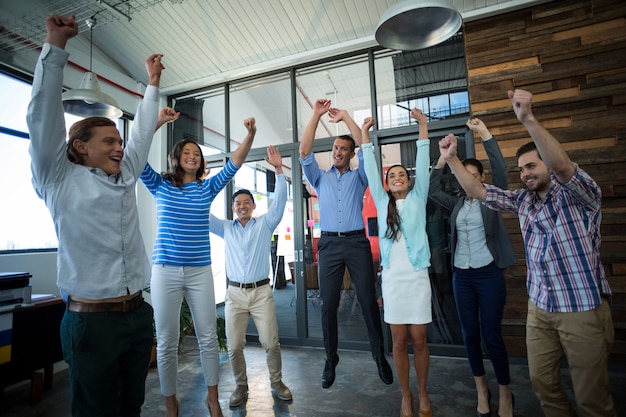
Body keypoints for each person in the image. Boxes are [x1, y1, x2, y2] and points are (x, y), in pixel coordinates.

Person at [438, 89, 616, 417]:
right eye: (521, 169)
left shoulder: (579, 195)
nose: (525, 173)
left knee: (592, 399)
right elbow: (478, 190)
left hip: (581, 308)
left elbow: (564, 169)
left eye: (531, 166)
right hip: (540, 309)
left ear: (546, 163)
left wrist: (528, 120)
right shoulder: (522, 201)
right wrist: (451, 159)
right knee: (543, 385)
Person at [27, 13, 164, 417]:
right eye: (109, 141)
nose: (120, 147)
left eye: (119, 141)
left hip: (137, 316)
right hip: (91, 324)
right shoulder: (58, 178)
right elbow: (42, 118)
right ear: (81, 146)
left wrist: (153, 83)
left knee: (131, 407)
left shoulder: (124, 176)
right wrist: (55, 46)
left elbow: (141, 133)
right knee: (95, 411)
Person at [139, 118, 256, 417]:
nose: (193, 156)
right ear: (177, 157)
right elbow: (136, 153)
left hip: (199, 271)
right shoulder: (160, 183)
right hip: (165, 270)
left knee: (207, 337)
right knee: (166, 342)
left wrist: (250, 134)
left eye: (197, 153)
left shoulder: (207, 188)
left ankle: (213, 399)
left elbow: (235, 163)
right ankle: (170, 404)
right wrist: (155, 123)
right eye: (187, 152)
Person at [299, 99, 393, 389]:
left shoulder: (359, 178)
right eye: (335, 148)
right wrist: (315, 115)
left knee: (367, 300)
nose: (337, 152)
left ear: (351, 154)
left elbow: (367, 150)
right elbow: (304, 152)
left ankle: (378, 355)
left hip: (356, 244)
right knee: (328, 304)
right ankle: (331, 358)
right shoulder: (319, 178)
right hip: (328, 244)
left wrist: (348, 119)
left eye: (343, 149)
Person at [429, 118, 515, 417]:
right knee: (469, 336)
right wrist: (444, 157)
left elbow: (501, 170)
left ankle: (505, 392)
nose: (471, 180)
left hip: (488, 273)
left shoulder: (493, 200)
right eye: (466, 175)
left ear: (482, 179)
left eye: (476, 175)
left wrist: (485, 134)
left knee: (491, 336)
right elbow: (431, 187)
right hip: (461, 277)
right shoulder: (455, 205)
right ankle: (482, 389)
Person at [362, 110, 433, 417]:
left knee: (419, 340)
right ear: (387, 185)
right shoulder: (382, 202)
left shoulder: (419, 197)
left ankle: (423, 393)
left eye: (401, 174)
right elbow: (369, 167)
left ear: (410, 179)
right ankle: (405, 395)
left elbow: (422, 155)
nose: (397, 177)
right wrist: (365, 133)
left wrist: (422, 126)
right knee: (400, 341)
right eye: (392, 176)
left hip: (417, 278)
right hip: (393, 279)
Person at [209, 145, 292, 407]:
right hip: (234, 294)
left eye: (247, 202)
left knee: (271, 342)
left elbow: (279, 203)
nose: (242, 206)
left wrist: (279, 170)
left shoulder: (265, 223)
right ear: (233, 208)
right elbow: (202, 213)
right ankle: (240, 386)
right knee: (234, 346)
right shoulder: (225, 228)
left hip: (260, 293)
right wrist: (201, 183)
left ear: (253, 206)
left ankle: (277, 383)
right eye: (238, 203)